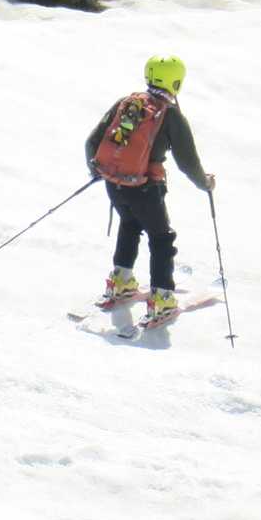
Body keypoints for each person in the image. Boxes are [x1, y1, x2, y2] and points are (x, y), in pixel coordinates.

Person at [85, 55, 215, 322]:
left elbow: (92, 142)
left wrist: (99, 171)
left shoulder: (127, 103)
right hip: (145, 188)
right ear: (176, 82)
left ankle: (120, 281)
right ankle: (162, 298)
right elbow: (188, 162)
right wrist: (205, 183)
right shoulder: (170, 115)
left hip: (115, 183)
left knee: (129, 224)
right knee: (161, 238)